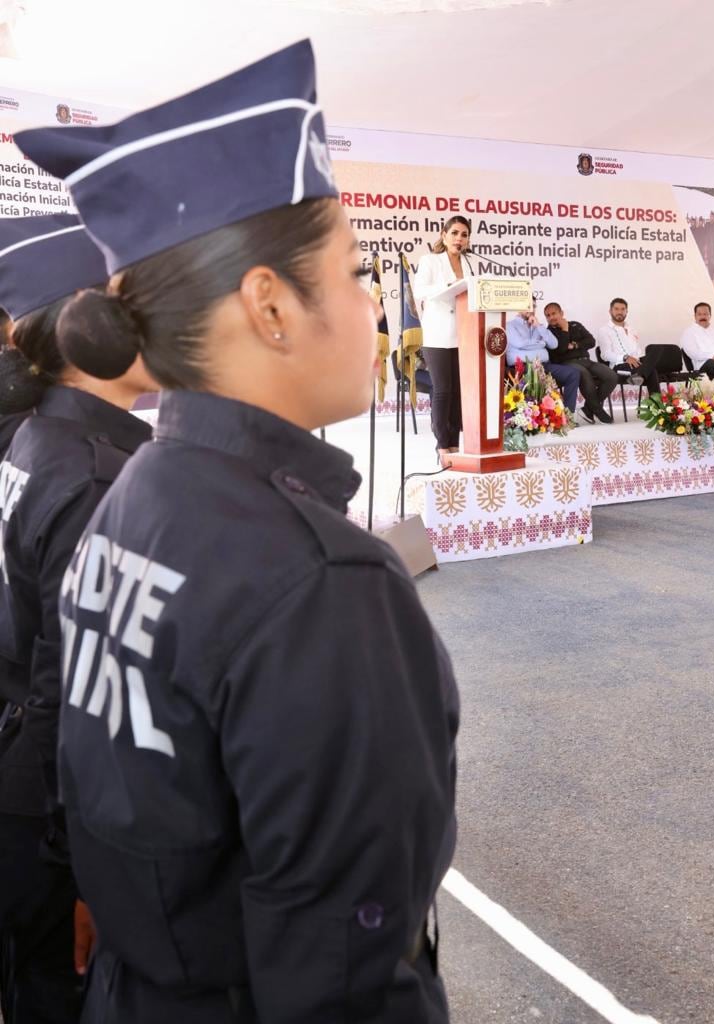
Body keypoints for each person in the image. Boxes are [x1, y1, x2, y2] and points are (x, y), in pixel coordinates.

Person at [18, 39, 458, 1024]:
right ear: (269, 304)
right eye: (352, 271)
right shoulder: (321, 580)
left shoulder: (134, 493)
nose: (370, 308)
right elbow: (345, 977)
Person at [0, 215, 154, 1024]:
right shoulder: (95, 478)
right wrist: (85, 875)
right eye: (132, 303)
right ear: (84, 324)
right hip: (48, 822)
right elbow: (78, 699)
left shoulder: (37, 439)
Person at [413, 216, 473, 466]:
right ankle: (442, 445)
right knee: (443, 390)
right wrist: (447, 284)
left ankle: (455, 442)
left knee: (459, 392)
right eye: (455, 233)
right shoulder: (430, 261)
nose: (459, 238)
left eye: (464, 234)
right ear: (444, 234)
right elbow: (420, 290)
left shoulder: (468, 263)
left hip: (463, 333)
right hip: (437, 334)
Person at [543, 302, 616, 423]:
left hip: (586, 361)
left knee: (611, 376)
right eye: (548, 315)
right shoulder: (548, 333)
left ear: (561, 313)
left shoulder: (576, 325)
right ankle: (598, 410)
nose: (551, 317)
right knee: (583, 373)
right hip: (566, 364)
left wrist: (575, 344)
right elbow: (560, 350)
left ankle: (588, 409)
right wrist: (565, 330)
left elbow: (591, 341)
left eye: (553, 313)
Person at [504, 302, 580, 412]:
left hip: (543, 365)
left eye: (533, 306)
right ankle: (538, 416)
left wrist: (538, 326)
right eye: (527, 305)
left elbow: (554, 344)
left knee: (573, 373)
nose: (531, 309)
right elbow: (520, 344)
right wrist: (541, 344)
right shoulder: (510, 325)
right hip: (523, 367)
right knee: (537, 376)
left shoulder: (539, 326)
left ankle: (568, 415)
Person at [596, 297, 665, 398]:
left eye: (623, 309)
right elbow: (605, 355)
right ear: (610, 311)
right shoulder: (604, 330)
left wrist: (643, 360)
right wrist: (625, 358)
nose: (620, 312)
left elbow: (637, 351)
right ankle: (658, 409)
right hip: (619, 367)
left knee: (657, 350)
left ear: (626, 311)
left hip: (637, 365)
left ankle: (640, 375)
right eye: (616, 309)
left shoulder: (632, 329)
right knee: (652, 372)